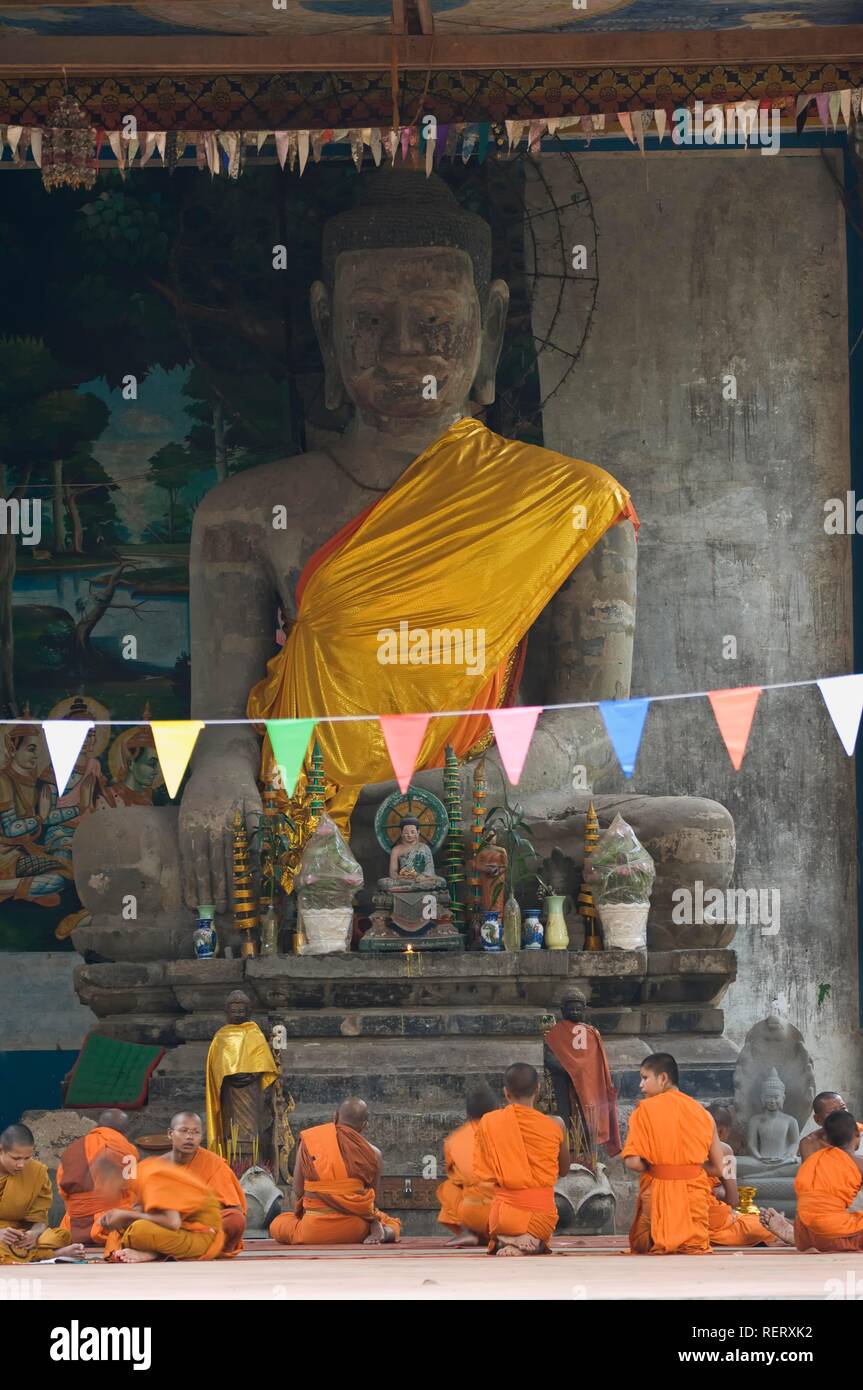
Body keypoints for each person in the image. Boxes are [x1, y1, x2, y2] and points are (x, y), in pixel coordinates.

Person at [621, 1053, 724, 1255]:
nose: (640, 1085)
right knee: (694, 1245)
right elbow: (719, 1168)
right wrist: (687, 1168)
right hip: (694, 1199)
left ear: (663, 1079)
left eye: (644, 1078)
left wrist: (655, 1167)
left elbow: (632, 1162)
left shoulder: (645, 1110)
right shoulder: (703, 1113)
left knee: (643, 1243)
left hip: (659, 1198)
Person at [269, 1098, 400, 1247]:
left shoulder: (311, 1141)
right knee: (392, 1223)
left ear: (335, 1116)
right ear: (364, 1126)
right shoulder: (374, 1153)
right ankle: (385, 1232)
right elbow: (373, 1199)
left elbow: (298, 1190)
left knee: (278, 1223)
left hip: (312, 1230)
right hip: (355, 1229)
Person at [473, 1062, 570, 1256]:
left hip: (503, 1217)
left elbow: (483, 1173)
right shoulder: (556, 1124)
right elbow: (564, 1170)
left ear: (506, 1092)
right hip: (541, 1215)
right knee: (541, 1232)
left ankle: (506, 1239)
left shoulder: (489, 1122)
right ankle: (532, 1241)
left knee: (493, 1226)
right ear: (538, 1089)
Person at [95, 1154, 225, 1263]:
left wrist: (127, 1216)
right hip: (182, 1231)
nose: (102, 1191)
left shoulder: (150, 1176)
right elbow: (151, 1212)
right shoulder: (139, 1176)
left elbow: (172, 1222)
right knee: (122, 1231)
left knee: (138, 1231)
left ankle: (153, 1254)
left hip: (203, 1237)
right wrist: (121, 1219)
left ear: (111, 1177)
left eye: (102, 1184)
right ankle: (152, 1252)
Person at [704, 1104, 791, 1247]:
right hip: (713, 1221)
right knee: (763, 1226)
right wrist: (719, 1192)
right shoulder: (725, 1150)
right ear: (723, 1131)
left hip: (684, 1217)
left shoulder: (682, 1149)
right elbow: (733, 1200)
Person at [161, 1112, 246, 1256]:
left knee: (235, 1220)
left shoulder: (213, 1163)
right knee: (136, 1227)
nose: (190, 1137)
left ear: (201, 1136)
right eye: (183, 1131)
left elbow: (235, 1208)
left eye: (196, 1132)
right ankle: (191, 1249)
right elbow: (141, 1207)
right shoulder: (157, 1166)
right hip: (170, 1226)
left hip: (204, 1228)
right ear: (170, 1134)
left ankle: (160, 1251)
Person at [0, 1123, 82, 1264]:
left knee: (59, 1236)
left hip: (17, 1235)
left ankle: (29, 1253)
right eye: (16, 1158)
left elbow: (39, 1221)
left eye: (27, 1158)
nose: (21, 1165)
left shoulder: (36, 1172)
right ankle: (50, 1254)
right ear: (1, 1150)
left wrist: (33, 1234)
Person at [57, 1109, 139, 1246]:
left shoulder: (72, 1149)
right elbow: (130, 1186)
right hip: (108, 1224)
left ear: (96, 1127)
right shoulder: (124, 1147)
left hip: (72, 1227)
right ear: (124, 1133)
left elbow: (62, 1191)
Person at [436, 1082, 498, 1247]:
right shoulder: (507, 1132)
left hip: (473, 1213)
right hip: (509, 1212)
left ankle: (469, 1232)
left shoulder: (453, 1140)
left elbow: (457, 1179)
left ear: (468, 1113)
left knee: (448, 1187)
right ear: (496, 1110)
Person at [794, 1109, 863, 1252]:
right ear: (857, 1134)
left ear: (826, 1139)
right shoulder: (858, 1163)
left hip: (803, 1233)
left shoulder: (815, 1158)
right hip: (833, 1234)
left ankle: (790, 1233)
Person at [798, 1091, 863, 1161]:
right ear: (818, 1119)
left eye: (843, 1108)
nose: (841, 1115)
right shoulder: (810, 1143)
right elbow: (809, 1170)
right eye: (832, 1112)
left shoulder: (860, 1132)